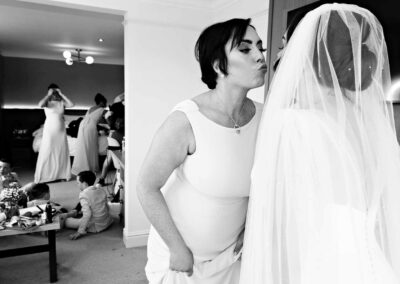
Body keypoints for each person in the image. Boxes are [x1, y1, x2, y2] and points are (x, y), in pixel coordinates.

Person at [240, 4, 400, 284]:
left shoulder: (293, 124)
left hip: (317, 265)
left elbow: (279, 228)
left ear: (306, 51)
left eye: (283, 45)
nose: (277, 56)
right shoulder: (364, 120)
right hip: (372, 265)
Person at [137, 18, 267, 284]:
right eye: (245, 49)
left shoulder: (266, 118)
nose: (259, 56)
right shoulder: (186, 120)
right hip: (182, 259)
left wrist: (251, 227)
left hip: (232, 256)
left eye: (260, 47)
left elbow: (267, 184)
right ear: (219, 65)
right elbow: (146, 186)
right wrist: (176, 248)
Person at [34, 83, 73, 183]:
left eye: (56, 92)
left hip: (61, 131)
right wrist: (48, 95)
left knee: (61, 152)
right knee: (48, 150)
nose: (55, 93)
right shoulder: (47, 102)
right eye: (53, 92)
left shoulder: (61, 102)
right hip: (50, 130)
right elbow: (39, 105)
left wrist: (62, 94)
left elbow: (72, 104)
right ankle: (45, 176)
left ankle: (61, 175)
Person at [60, 170, 113, 240]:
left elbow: (87, 215)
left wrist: (80, 231)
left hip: (95, 226)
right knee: (86, 207)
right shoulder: (101, 190)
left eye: (78, 183)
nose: (77, 185)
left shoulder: (83, 194)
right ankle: (75, 212)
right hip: (106, 222)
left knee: (66, 221)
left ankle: (70, 213)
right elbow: (106, 206)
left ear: (84, 183)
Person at [71, 93, 107, 175]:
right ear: (101, 102)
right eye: (105, 102)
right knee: (90, 145)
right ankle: (89, 167)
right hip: (90, 127)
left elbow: (93, 118)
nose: (106, 104)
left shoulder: (90, 108)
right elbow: (108, 118)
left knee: (83, 145)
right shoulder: (103, 110)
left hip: (82, 125)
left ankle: (82, 166)